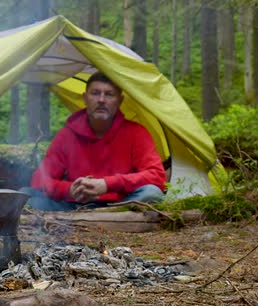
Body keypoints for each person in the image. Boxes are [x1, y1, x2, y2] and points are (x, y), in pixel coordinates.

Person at [21, 71, 166, 211]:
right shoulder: (67, 135)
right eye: (95, 93)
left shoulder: (136, 132)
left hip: (121, 205)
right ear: (85, 98)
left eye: (109, 94)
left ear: (120, 101)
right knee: (25, 194)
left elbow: (157, 175)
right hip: (74, 206)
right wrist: (70, 189)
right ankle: (90, 218)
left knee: (152, 193)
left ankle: (105, 217)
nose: (101, 100)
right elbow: (39, 180)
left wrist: (107, 184)